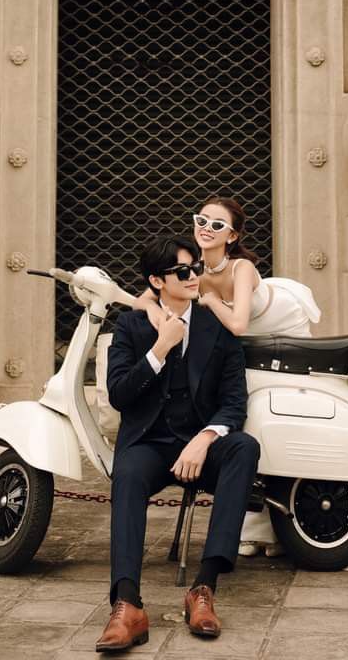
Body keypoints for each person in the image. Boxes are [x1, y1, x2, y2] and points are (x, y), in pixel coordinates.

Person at [95, 234, 260, 653]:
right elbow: (119, 394)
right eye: (182, 272)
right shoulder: (131, 326)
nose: (193, 277)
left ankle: (203, 589)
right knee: (128, 473)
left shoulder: (217, 328)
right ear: (156, 281)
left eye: (196, 269)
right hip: (149, 443)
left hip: (196, 445)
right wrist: (160, 348)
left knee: (244, 447)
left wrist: (205, 439)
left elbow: (234, 402)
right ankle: (127, 604)